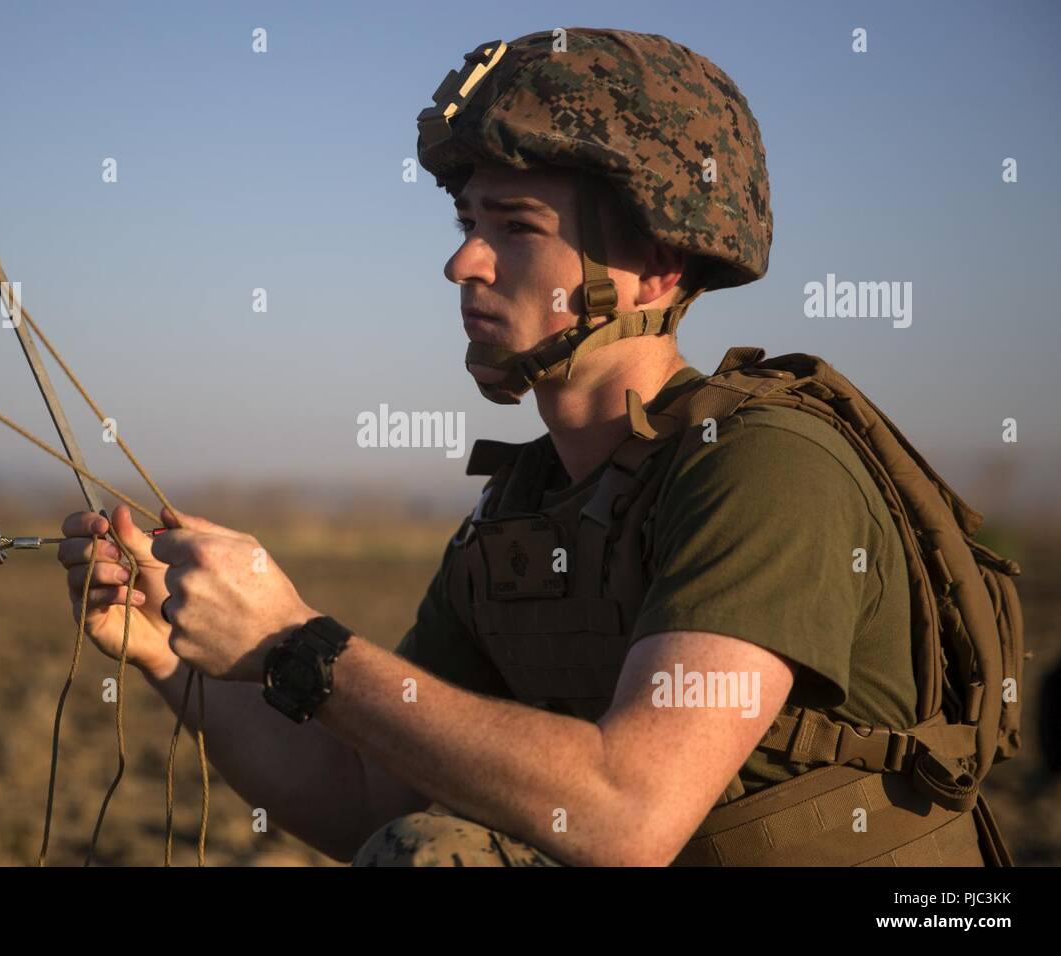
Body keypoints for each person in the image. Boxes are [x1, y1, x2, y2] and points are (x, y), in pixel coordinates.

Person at [57, 29, 1013, 866]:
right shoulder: (521, 508)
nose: (463, 262)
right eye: (470, 223)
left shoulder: (761, 464)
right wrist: (176, 663)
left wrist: (298, 644)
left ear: (656, 267)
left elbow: (629, 812)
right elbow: (360, 800)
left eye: (515, 229)